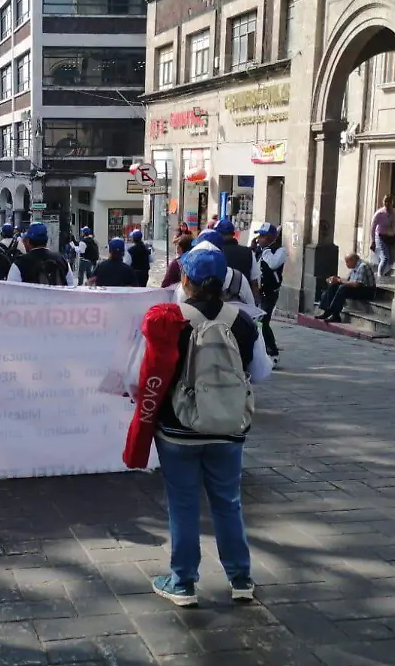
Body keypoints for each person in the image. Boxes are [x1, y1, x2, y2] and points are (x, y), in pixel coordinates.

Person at [138, 247, 271, 608]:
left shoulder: (168, 318)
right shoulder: (243, 322)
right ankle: (241, 578)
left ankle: (183, 582)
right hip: (228, 427)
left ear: (185, 279)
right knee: (228, 502)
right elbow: (260, 373)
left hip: (178, 429)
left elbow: (143, 375)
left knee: (182, 504)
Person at [254, 224, 286, 365]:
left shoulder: (279, 250)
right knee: (257, 321)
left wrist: (265, 251)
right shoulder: (258, 250)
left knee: (263, 321)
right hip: (258, 291)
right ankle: (261, 351)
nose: (259, 239)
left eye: (262, 236)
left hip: (270, 291)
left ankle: (273, 352)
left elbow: (273, 264)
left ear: (269, 238)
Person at [7, 222, 76, 286]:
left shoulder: (19, 263)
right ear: (47, 240)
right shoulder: (62, 260)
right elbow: (71, 287)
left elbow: (11, 291)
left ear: (28, 241)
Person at [315, 252, 375, 322]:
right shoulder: (355, 266)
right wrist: (335, 280)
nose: (346, 264)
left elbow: (357, 284)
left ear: (353, 260)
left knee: (343, 288)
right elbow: (347, 280)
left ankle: (332, 312)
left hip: (367, 291)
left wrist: (339, 280)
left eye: (347, 262)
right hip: (358, 288)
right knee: (334, 285)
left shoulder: (362, 266)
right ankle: (329, 312)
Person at [216, 219, 261, 299]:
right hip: (244, 299)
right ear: (233, 234)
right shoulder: (248, 252)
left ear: (218, 233)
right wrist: (255, 303)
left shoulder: (215, 252)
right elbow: (254, 281)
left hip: (221, 301)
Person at [370, 195, 395, 277]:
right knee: (385, 258)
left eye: (389, 201)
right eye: (385, 201)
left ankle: (384, 273)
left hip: (392, 237)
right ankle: (380, 276)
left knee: (392, 260)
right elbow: (373, 227)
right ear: (383, 202)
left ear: (392, 202)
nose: (387, 203)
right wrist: (373, 241)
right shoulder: (379, 213)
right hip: (381, 237)